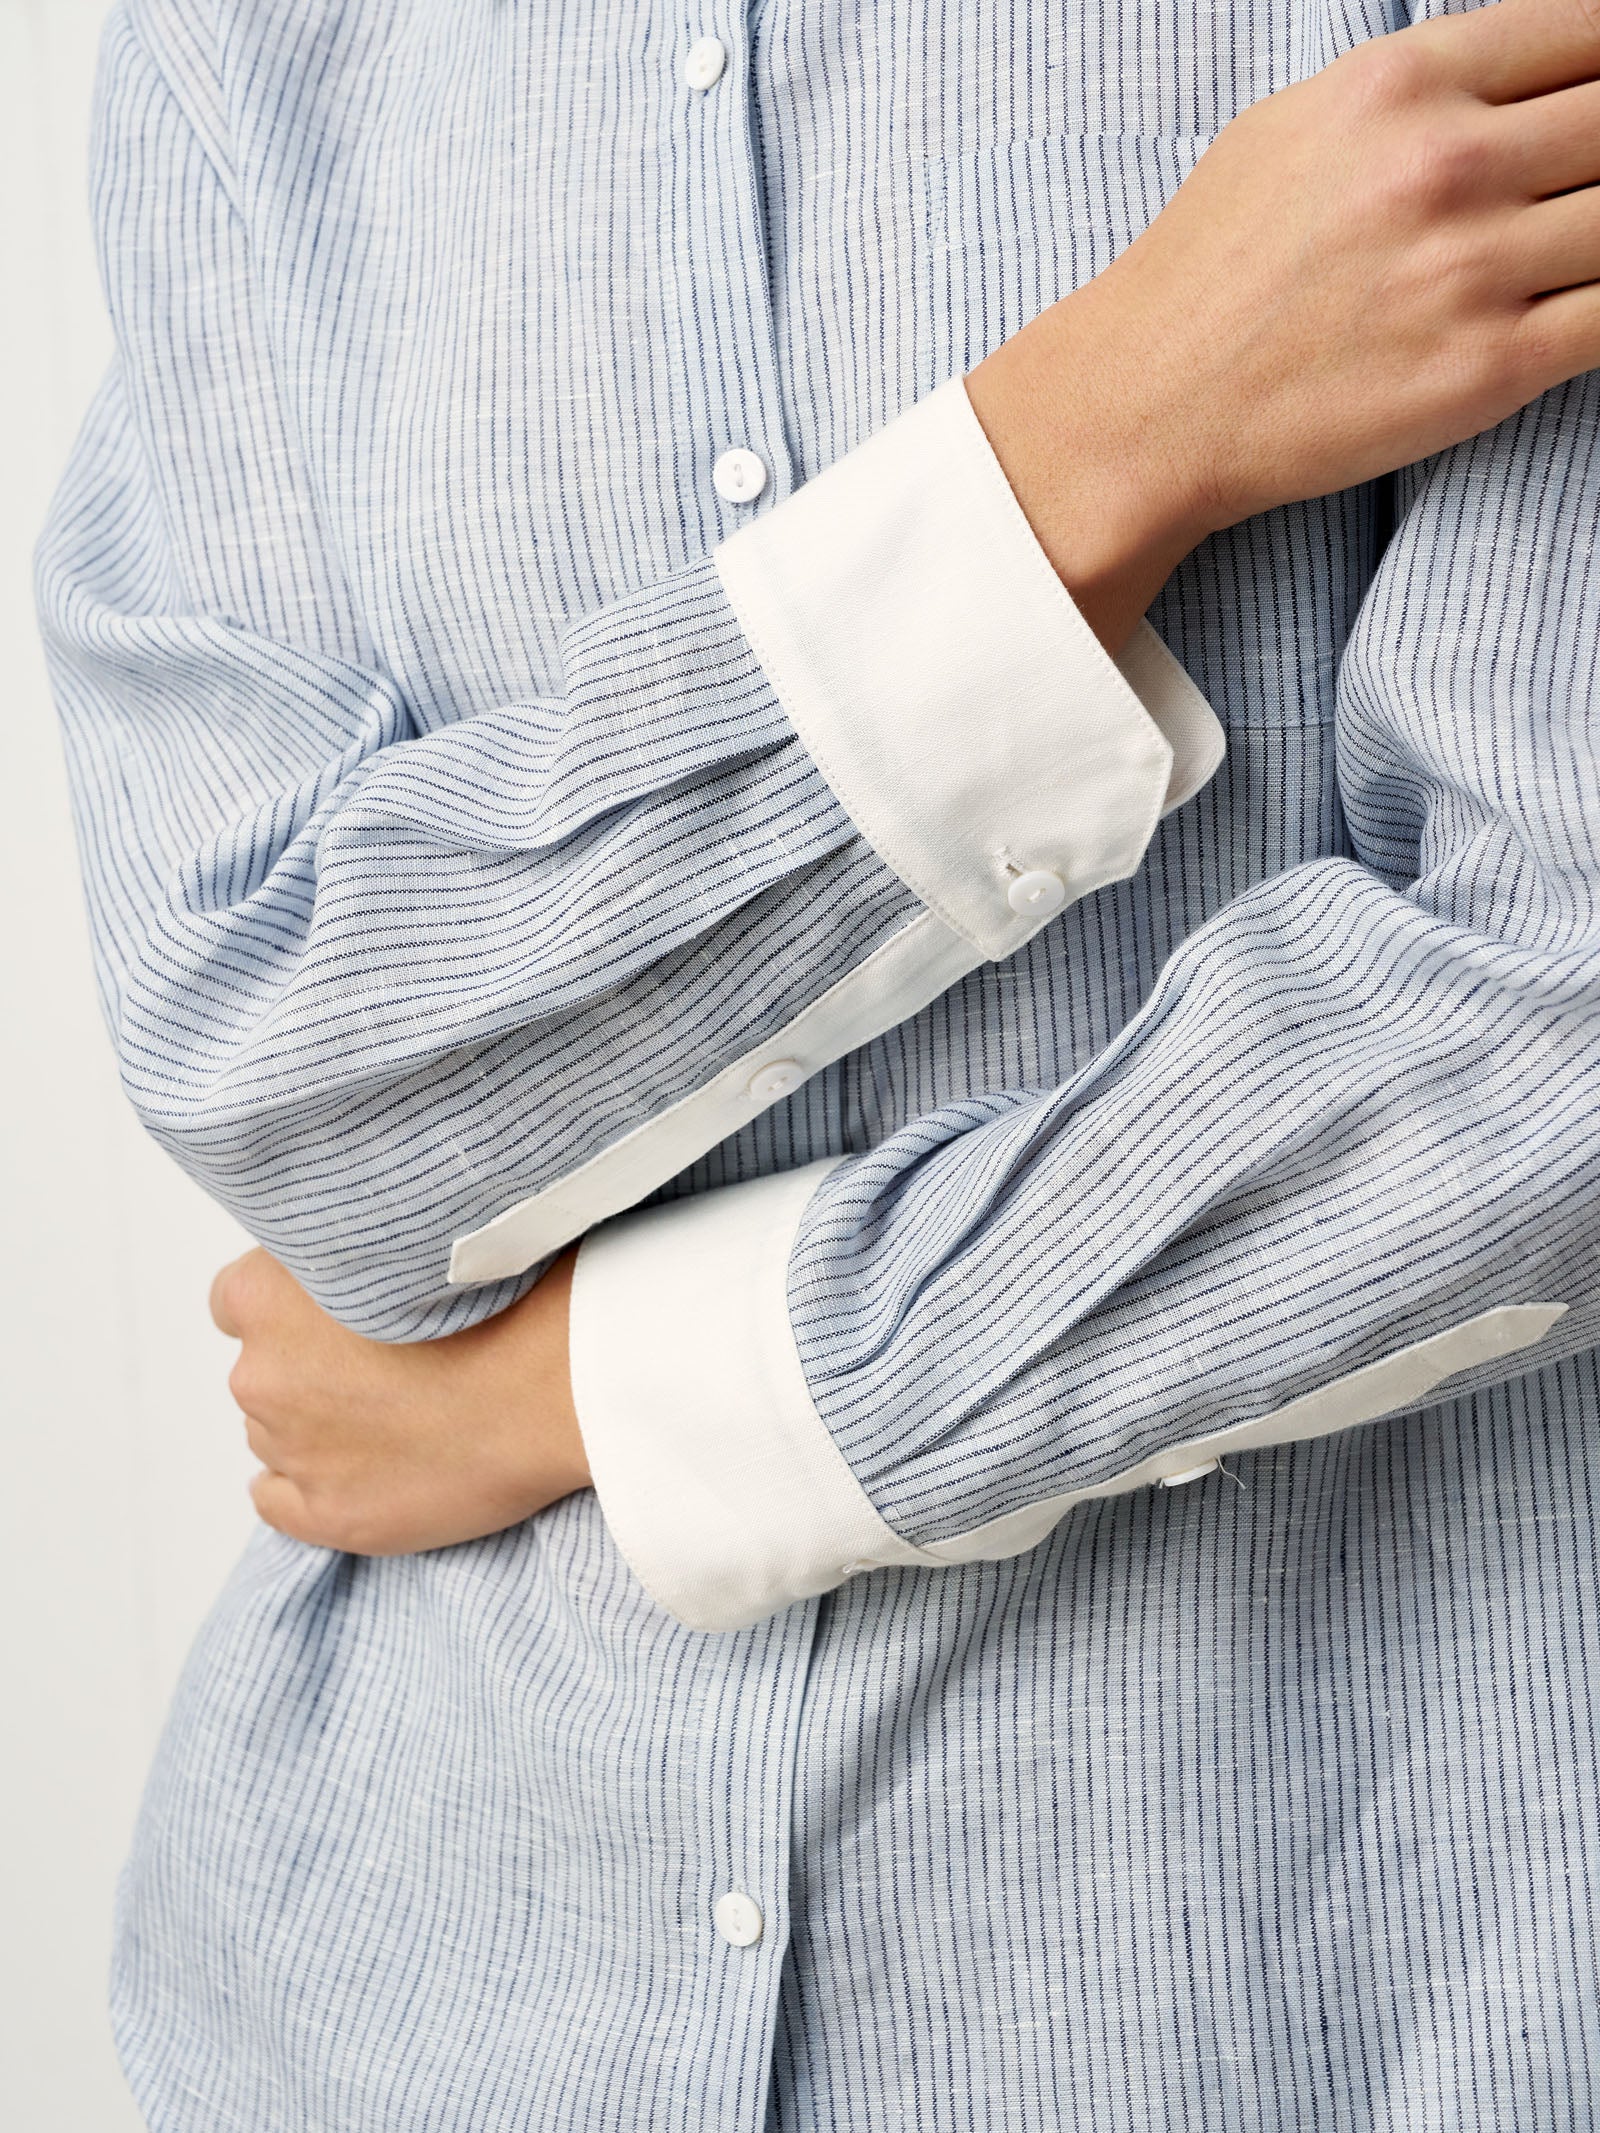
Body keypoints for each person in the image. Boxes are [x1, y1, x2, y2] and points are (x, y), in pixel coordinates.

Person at [38, 0, 1600, 2123]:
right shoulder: (245, 42)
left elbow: (1542, 1036)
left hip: (1298, 1990)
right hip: (400, 1998)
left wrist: (604, 1387)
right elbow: (272, 1056)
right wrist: (1094, 439)